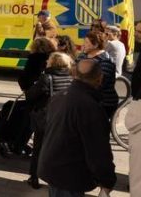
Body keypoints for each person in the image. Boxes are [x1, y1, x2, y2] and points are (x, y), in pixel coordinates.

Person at [38, 59, 117, 197]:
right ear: (100, 78)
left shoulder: (59, 96)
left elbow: (44, 126)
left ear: (75, 74)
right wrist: (107, 180)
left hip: (53, 167)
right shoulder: (91, 108)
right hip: (69, 175)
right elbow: (98, 151)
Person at [24, 52, 74, 189]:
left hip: (46, 118)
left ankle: (34, 177)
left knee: (39, 148)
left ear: (53, 63)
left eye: (49, 60)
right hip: (63, 117)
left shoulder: (47, 78)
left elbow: (31, 95)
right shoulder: (72, 77)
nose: (46, 62)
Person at [78, 31, 120, 118]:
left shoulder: (106, 60)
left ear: (95, 45)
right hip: (85, 99)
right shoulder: (82, 56)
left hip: (103, 102)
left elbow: (100, 83)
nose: (83, 45)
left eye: (86, 42)